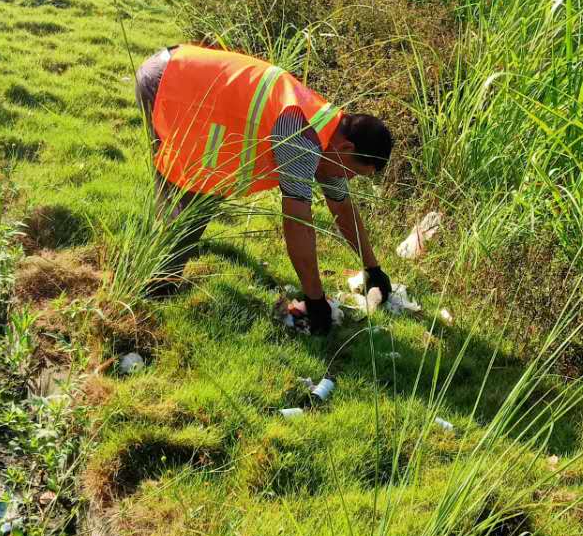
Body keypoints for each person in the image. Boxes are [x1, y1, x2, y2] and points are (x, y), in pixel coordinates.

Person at [135, 44, 394, 334]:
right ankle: (152, 296)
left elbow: (342, 208)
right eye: (353, 172)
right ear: (346, 149)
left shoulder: (330, 136)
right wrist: (315, 299)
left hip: (190, 83)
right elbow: (298, 225)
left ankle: (164, 264)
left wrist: (372, 269)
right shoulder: (304, 138)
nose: (349, 178)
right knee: (187, 199)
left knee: (198, 197)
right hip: (171, 83)